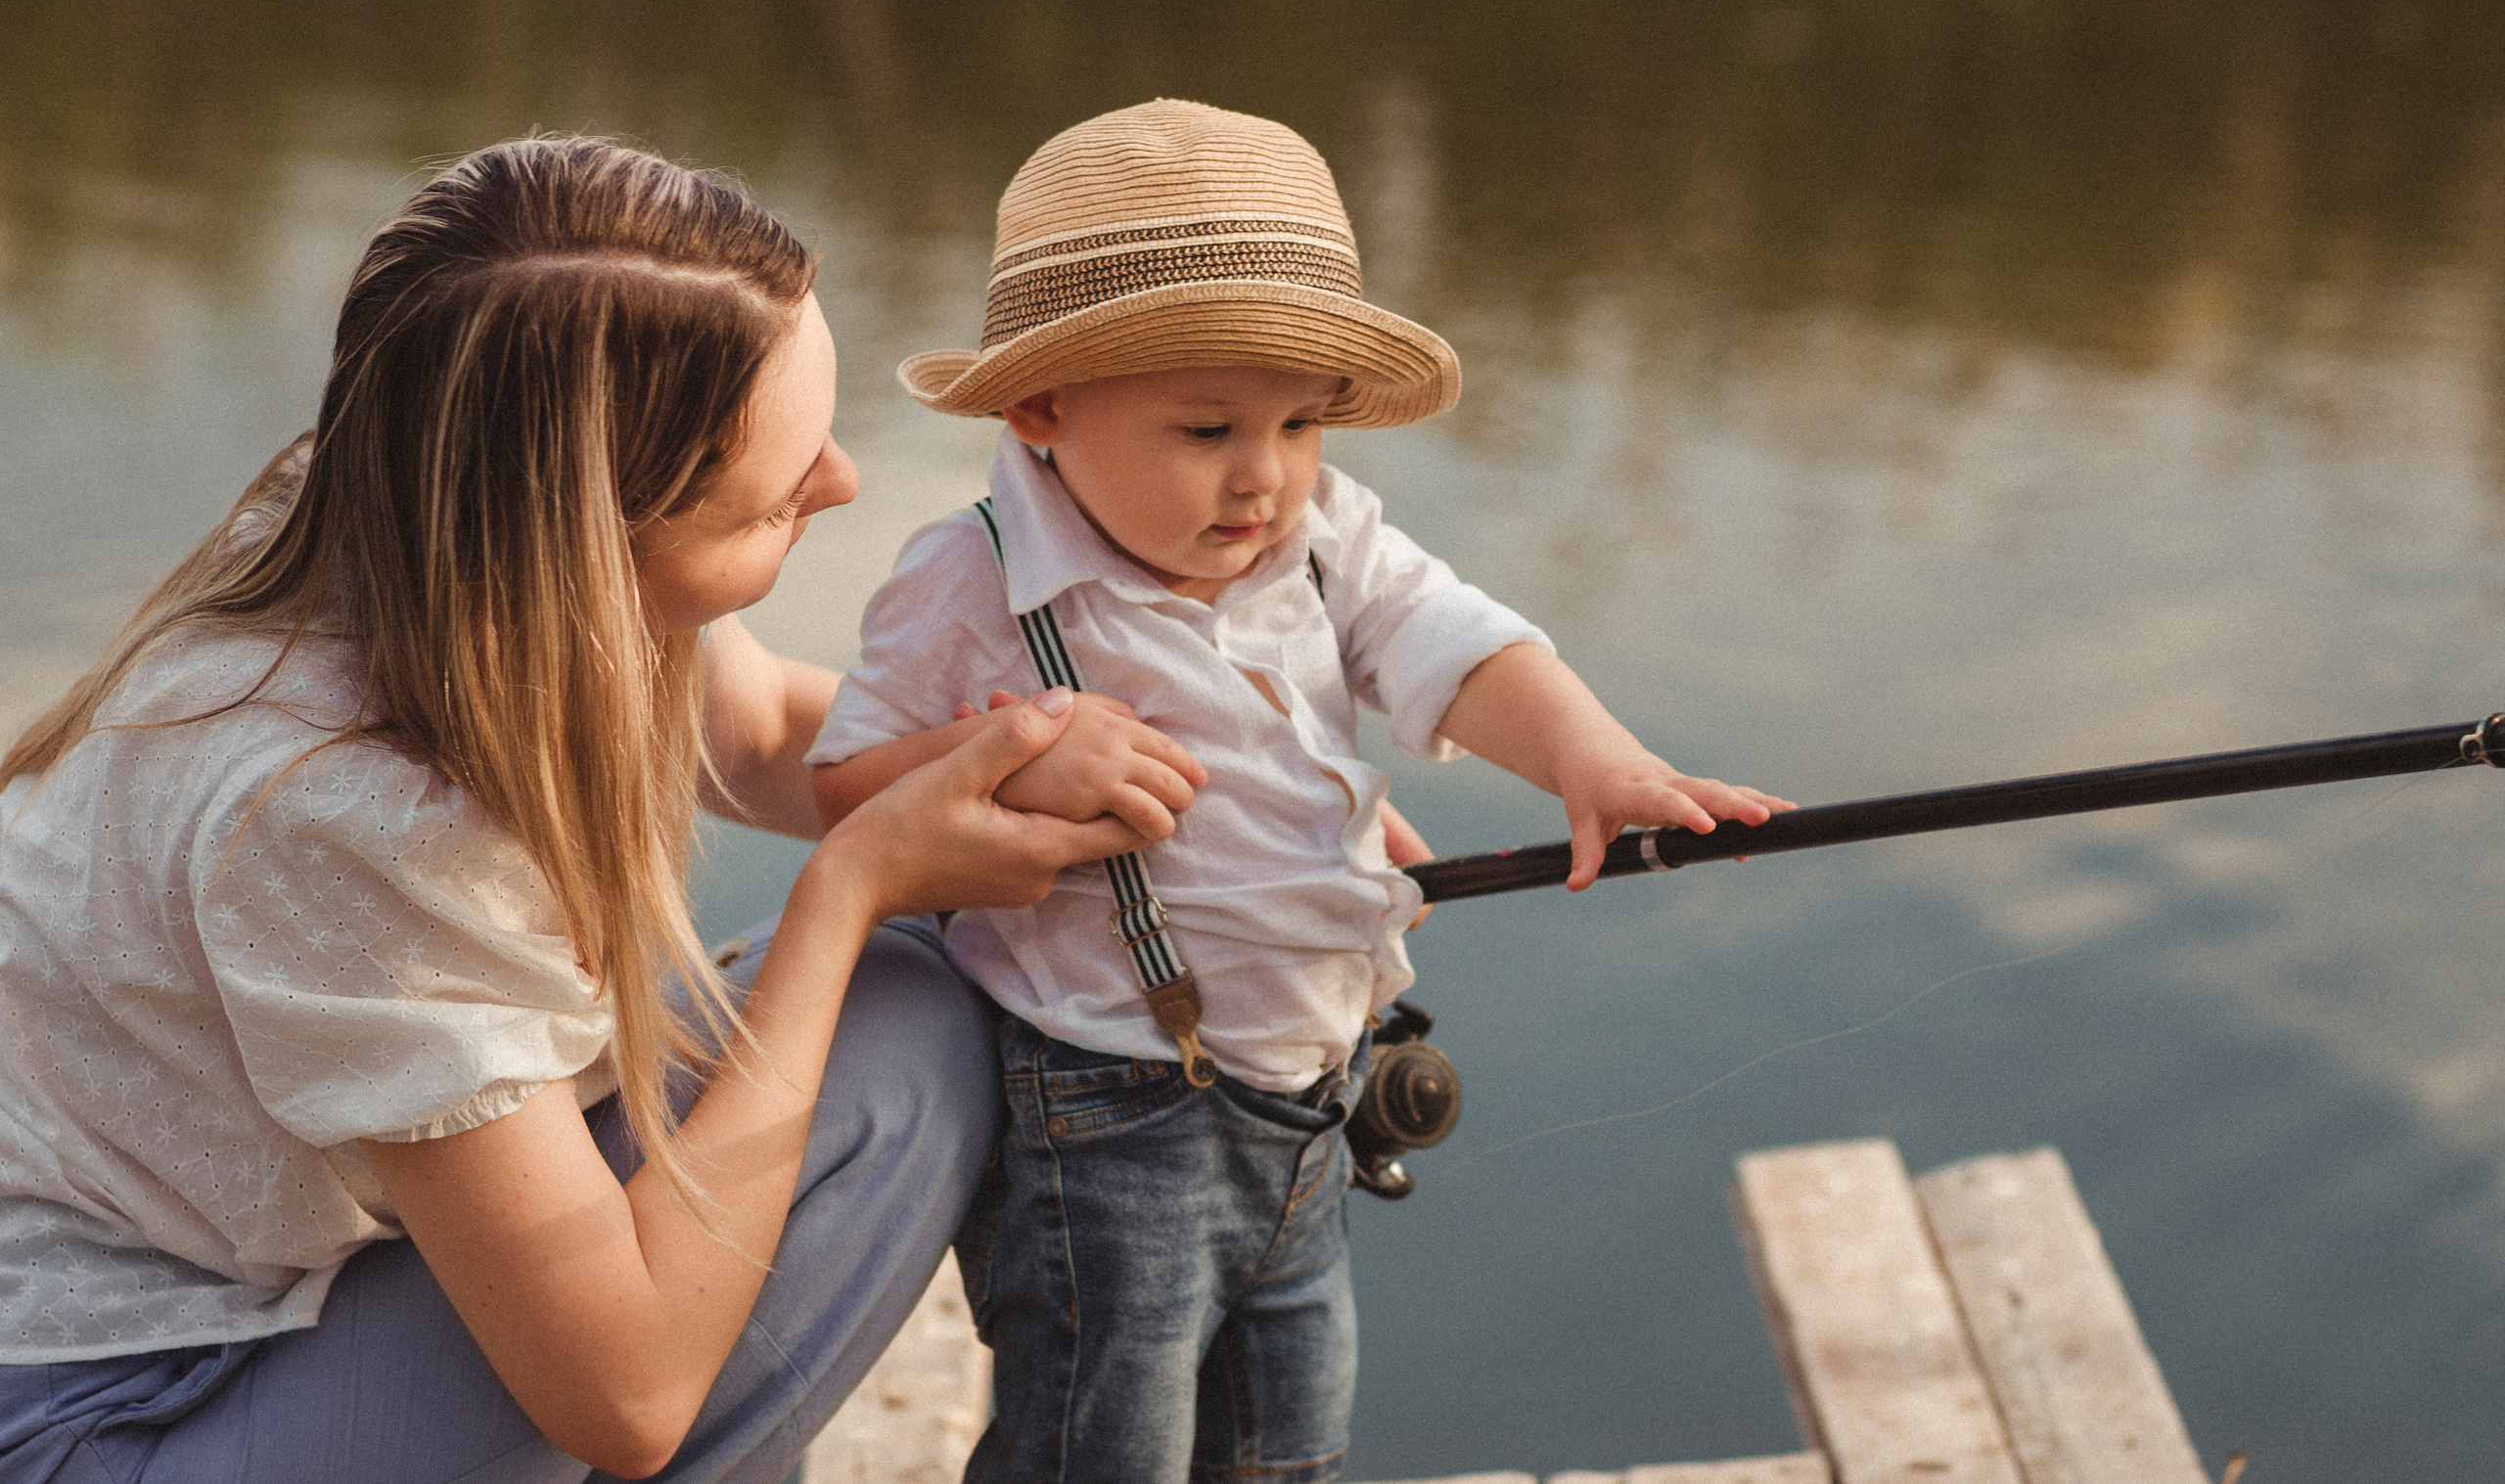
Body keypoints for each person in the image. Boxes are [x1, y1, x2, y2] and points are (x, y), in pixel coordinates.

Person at [0, 137, 1170, 1483]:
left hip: (240, 1315)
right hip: (103, 1419)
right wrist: (847, 889)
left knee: (889, 1028)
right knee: (895, 1045)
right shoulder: (344, 815)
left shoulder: (421, 499)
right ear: (586, 541)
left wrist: (1110, 765)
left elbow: (778, 732)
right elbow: (629, 1397)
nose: (845, 483)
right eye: (778, 499)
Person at [805, 100, 1793, 1484]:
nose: (1265, 476)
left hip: (1307, 1097)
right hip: (1105, 1122)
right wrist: (1016, 747)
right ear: (1041, 408)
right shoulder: (968, 583)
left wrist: (1594, 758)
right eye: (1207, 428)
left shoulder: (1319, 540)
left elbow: (1459, 645)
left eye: (1301, 426)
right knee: (1101, 1454)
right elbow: (850, 790)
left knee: (1290, 1449)